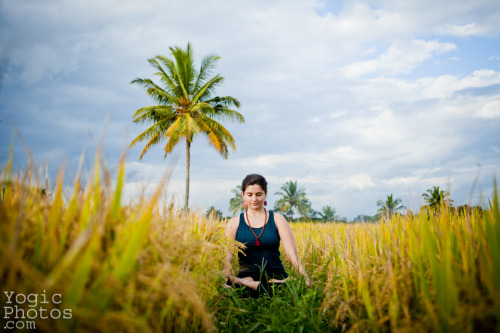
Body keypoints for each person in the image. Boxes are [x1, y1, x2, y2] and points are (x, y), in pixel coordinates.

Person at [224, 174, 311, 297]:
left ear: (265, 194)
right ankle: (245, 283)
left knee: (292, 285)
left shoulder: (278, 219)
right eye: (250, 195)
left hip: (276, 276)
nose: (254, 199)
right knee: (235, 287)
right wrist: (224, 282)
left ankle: (250, 284)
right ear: (243, 195)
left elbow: (292, 255)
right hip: (247, 276)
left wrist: (306, 277)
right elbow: (228, 257)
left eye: (258, 194)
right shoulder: (234, 223)